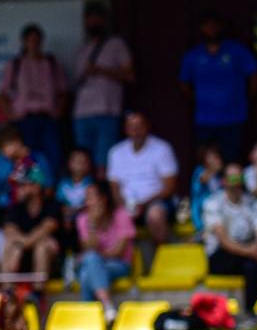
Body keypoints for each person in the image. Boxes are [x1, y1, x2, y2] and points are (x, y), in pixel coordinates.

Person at [177, 11, 257, 162]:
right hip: (204, 119)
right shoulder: (193, 55)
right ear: (201, 29)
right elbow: (184, 83)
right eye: (207, 27)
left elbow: (254, 76)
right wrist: (199, 99)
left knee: (232, 161)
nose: (211, 30)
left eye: (214, 26)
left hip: (234, 117)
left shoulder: (237, 51)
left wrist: (245, 98)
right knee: (205, 161)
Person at [106, 110, 179, 270]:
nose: (136, 131)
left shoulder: (162, 148)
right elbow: (114, 187)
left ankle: (163, 263)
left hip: (156, 201)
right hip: (127, 204)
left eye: (140, 126)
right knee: (117, 217)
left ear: (147, 127)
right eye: (131, 127)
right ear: (125, 130)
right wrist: (124, 207)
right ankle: (123, 267)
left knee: (155, 215)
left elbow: (169, 186)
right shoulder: (116, 152)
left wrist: (143, 204)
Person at [203, 165, 257, 317]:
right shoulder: (213, 203)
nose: (237, 183)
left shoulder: (253, 203)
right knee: (256, 264)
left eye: (240, 179)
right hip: (220, 257)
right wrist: (252, 252)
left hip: (248, 256)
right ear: (224, 181)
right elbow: (224, 242)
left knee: (252, 266)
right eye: (233, 179)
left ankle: (252, 313)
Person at [0, 23, 67, 179]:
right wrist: (12, 116)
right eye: (30, 40)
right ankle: (30, 194)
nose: (34, 44)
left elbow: (63, 92)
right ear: (24, 42)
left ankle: (49, 193)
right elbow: (2, 94)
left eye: (37, 40)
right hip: (24, 120)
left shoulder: (52, 64)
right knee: (26, 159)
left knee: (52, 157)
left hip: (47, 119)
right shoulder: (15, 64)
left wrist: (58, 113)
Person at [71, 2, 134, 168]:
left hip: (107, 111)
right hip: (82, 113)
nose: (93, 23)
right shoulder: (81, 50)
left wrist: (101, 71)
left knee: (104, 163)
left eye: (97, 18)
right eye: (90, 19)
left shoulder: (116, 44)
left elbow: (130, 75)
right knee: (83, 162)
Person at [72, 182, 136, 317]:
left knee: (88, 267)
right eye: (86, 198)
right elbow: (89, 247)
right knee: (89, 267)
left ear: (103, 198)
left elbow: (119, 252)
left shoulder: (121, 215)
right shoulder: (83, 219)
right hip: (96, 264)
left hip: (120, 265)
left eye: (91, 197)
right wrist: (93, 224)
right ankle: (107, 307)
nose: (88, 202)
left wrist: (96, 256)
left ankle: (88, 318)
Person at [0, 164, 60, 284]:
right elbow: (10, 230)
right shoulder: (15, 208)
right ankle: (7, 292)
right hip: (21, 259)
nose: (18, 189)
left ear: (36, 186)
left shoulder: (52, 206)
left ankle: (37, 293)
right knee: (10, 244)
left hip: (50, 266)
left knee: (42, 245)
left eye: (22, 185)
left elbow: (46, 229)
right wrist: (20, 245)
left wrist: (22, 244)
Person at [187, 144, 225, 237]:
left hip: (219, 211)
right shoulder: (199, 170)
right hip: (201, 211)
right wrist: (212, 168)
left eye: (217, 156)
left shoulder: (219, 176)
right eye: (212, 156)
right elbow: (203, 179)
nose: (216, 159)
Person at [57, 148, 94, 227]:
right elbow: (58, 202)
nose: (79, 164)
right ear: (69, 163)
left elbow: (92, 204)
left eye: (83, 162)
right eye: (76, 161)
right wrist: (64, 209)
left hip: (85, 220)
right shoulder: (63, 183)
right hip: (66, 219)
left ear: (89, 165)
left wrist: (77, 211)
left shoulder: (91, 183)